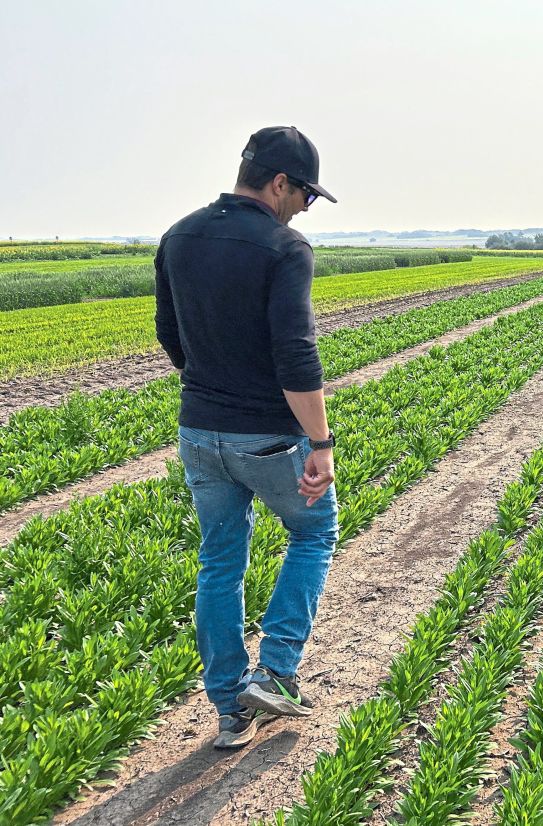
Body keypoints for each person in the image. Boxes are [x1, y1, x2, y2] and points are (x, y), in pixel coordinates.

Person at [154, 126, 340, 749]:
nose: (305, 207)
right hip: (267, 436)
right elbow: (296, 353)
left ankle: (231, 707)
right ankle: (277, 672)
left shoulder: (178, 236)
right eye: (306, 194)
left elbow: (170, 336)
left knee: (220, 563)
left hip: (199, 431)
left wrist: (212, 383)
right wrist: (320, 443)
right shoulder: (285, 248)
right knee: (315, 530)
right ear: (280, 182)